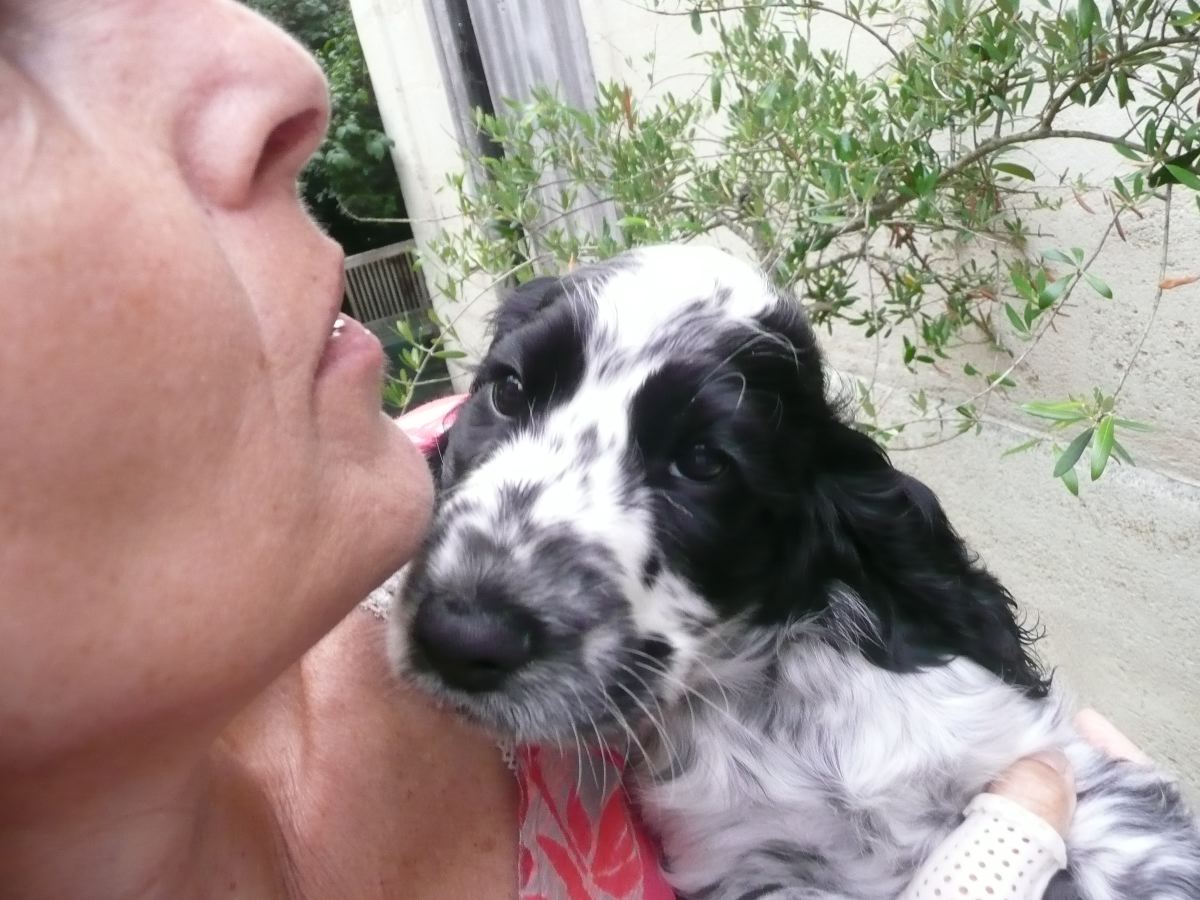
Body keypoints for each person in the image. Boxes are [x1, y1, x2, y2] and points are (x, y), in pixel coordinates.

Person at [0, 2, 1149, 898]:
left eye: (699, 462)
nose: (280, 71)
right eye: (11, 44)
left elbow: (1038, 754)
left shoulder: (403, 462)